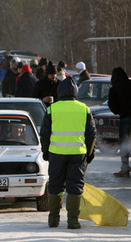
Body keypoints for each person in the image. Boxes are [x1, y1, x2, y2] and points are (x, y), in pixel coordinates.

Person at [40, 76, 96, 229]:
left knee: (55, 186)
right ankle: (73, 220)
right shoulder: (84, 109)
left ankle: (53, 219)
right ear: (75, 92)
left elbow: (44, 134)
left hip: (56, 154)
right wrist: (90, 154)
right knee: (75, 186)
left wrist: (45, 152)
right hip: (78, 154)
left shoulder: (52, 108)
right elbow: (92, 134)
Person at [108, 67, 131, 177]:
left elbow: (113, 107)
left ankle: (125, 169)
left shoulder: (114, 89)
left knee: (124, 143)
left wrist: (120, 110)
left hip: (125, 119)